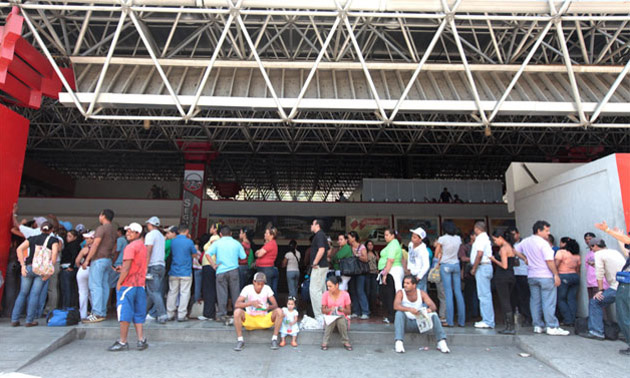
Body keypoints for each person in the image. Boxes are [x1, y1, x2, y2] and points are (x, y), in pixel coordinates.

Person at [515, 220, 569, 336]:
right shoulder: (543, 244)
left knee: (535, 301)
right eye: (546, 230)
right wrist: (555, 274)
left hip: (532, 275)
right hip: (545, 276)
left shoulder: (526, 241)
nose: (548, 233)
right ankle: (551, 326)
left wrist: (524, 258)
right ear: (539, 231)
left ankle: (537, 325)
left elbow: (515, 250)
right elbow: (549, 261)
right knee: (548, 301)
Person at [108, 222, 149, 352]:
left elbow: (126, 267)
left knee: (124, 313)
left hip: (128, 285)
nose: (128, 234)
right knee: (138, 312)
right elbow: (136, 265)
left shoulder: (130, 247)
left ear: (138, 233)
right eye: (127, 231)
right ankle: (141, 340)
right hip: (140, 285)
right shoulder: (143, 247)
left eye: (131, 231)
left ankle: (123, 341)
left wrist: (119, 283)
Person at [11, 222, 59, 327]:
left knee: (22, 293)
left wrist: (23, 266)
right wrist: (49, 271)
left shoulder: (32, 238)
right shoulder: (54, 240)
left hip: (28, 267)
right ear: (51, 230)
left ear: (41, 229)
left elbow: (19, 249)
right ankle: (29, 321)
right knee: (35, 294)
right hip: (41, 270)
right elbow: (54, 256)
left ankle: (14, 319)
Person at [595, 221, 630, 355]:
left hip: (627, 286)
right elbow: (626, 250)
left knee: (624, 316)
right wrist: (617, 237)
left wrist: (608, 230)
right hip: (625, 285)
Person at [580, 237, 626, 340]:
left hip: (616, 287)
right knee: (624, 310)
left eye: (592, 248)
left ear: (595, 246)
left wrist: (600, 291)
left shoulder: (598, 254)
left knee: (595, 302)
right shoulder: (614, 252)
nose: (592, 250)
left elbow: (599, 274)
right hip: (625, 285)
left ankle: (596, 332)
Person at [393, 275, 450, 354]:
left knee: (434, 315)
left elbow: (433, 306)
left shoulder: (421, 293)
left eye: (408, 283)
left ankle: (441, 342)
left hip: (421, 324)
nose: (405, 285)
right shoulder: (401, 292)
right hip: (406, 324)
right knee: (399, 314)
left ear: (414, 285)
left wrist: (428, 310)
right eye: (404, 283)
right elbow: (396, 306)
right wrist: (410, 309)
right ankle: (399, 342)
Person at [232, 272, 284, 351]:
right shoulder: (247, 288)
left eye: (262, 284)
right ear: (254, 282)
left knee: (279, 311)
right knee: (237, 312)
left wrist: (268, 307)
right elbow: (237, 304)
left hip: (264, 319)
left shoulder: (267, 288)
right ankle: (240, 340)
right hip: (250, 319)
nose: (260, 286)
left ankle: (274, 339)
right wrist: (251, 303)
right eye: (258, 284)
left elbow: (275, 305)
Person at [82, 209, 117, 323]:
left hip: (98, 259)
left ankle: (97, 313)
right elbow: (115, 247)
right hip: (107, 259)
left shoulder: (101, 228)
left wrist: (87, 259)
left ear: (103, 216)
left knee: (95, 286)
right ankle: (102, 311)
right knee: (104, 286)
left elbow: (95, 244)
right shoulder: (113, 230)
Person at [208, 225, 246, 322]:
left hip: (221, 270)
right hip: (234, 271)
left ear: (220, 234)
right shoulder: (236, 243)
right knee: (235, 293)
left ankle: (221, 314)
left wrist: (213, 265)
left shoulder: (217, 243)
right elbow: (243, 256)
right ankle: (237, 313)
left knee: (222, 294)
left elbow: (207, 254)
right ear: (231, 234)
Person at [434, 221, 465, 327]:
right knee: (458, 292)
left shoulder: (442, 239)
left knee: (448, 294)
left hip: (445, 265)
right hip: (456, 264)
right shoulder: (458, 238)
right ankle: (461, 321)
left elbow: (437, 253)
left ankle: (450, 321)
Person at [166, 226, 198, 322]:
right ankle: (181, 315)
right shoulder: (189, 242)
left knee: (172, 292)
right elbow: (194, 254)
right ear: (187, 231)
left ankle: (169, 313)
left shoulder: (173, 241)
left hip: (174, 270)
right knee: (184, 293)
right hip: (186, 271)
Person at [489, 230, 517, 334]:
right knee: (508, 300)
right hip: (511, 276)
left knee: (504, 301)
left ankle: (509, 326)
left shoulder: (504, 249)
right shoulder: (510, 247)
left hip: (503, 277)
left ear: (500, 237)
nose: (495, 242)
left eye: (495, 239)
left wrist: (493, 259)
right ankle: (510, 325)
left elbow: (504, 265)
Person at [470, 221, 494, 329]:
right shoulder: (485, 238)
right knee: (485, 294)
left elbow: (479, 254)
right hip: (486, 266)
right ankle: (487, 319)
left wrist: (474, 268)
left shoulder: (480, 238)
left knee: (484, 295)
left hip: (482, 267)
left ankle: (488, 320)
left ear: (476, 228)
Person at [143, 216, 167, 324]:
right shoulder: (161, 236)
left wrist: (145, 266)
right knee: (151, 291)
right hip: (161, 266)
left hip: (152, 266)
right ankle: (143, 312)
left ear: (150, 225)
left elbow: (148, 251)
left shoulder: (150, 235)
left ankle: (162, 314)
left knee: (153, 291)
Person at [379, 229, 404, 324]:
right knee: (389, 294)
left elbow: (390, 260)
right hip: (391, 270)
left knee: (391, 294)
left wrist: (385, 273)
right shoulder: (392, 244)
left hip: (393, 271)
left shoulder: (393, 244)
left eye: (387, 235)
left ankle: (392, 316)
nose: (385, 237)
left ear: (393, 235)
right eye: (384, 235)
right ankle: (392, 315)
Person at [321, 276, 352, 351]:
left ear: (337, 285)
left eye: (330, 286)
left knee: (340, 319)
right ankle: (325, 342)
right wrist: (329, 309)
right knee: (331, 319)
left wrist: (342, 310)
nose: (329, 288)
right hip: (330, 319)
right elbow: (323, 310)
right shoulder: (325, 294)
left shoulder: (345, 294)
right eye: (327, 286)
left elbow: (349, 311)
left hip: (342, 320)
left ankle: (346, 341)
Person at [554, 238, 581, 326]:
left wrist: (554, 275)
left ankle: (568, 319)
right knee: (572, 299)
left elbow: (556, 265)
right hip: (575, 277)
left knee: (561, 299)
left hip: (563, 276)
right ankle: (573, 320)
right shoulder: (577, 256)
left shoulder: (561, 252)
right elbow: (578, 269)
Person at [509, 227, 531, 326]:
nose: (513, 237)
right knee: (514, 297)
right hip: (513, 273)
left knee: (524, 297)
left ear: (518, 234)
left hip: (523, 273)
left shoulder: (524, 244)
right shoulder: (509, 245)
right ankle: (516, 316)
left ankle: (527, 317)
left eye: (514, 234)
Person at [199, 223, 220, 321]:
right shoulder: (214, 238)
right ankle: (209, 313)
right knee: (209, 289)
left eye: (211, 227)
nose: (210, 229)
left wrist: (212, 264)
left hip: (209, 265)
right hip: (209, 265)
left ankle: (208, 314)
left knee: (209, 290)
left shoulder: (214, 238)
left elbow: (212, 251)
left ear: (215, 229)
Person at [309, 219, 330, 319]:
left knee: (314, 291)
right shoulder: (322, 235)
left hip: (318, 267)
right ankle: (324, 314)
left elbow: (321, 249)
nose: (311, 226)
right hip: (323, 266)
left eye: (312, 224)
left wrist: (314, 263)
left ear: (317, 225)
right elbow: (328, 250)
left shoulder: (319, 235)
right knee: (322, 291)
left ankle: (319, 316)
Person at [348, 231, 369, 319]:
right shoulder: (349, 247)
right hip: (351, 272)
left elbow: (366, 259)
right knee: (353, 291)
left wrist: (357, 255)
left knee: (360, 291)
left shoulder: (362, 247)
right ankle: (356, 311)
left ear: (354, 238)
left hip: (360, 272)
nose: (348, 239)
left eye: (349, 237)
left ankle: (365, 312)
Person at [459, 232, 479, 320]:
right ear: (471, 236)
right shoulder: (465, 247)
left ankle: (476, 313)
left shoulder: (479, 246)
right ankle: (470, 313)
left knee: (478, 294)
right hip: (468, 273)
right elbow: (463, 258)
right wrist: (477, 259)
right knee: (469, 294)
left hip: (478, 272)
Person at [60, 229, 81, 308]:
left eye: (70, 236)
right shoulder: (73, 245)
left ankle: (67, 307)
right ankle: (70, 306)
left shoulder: (73, 245)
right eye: (67, 236)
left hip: (67, 268)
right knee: (70, 288)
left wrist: (71, 266)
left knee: (67, 289)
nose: (67, 238)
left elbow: (74, 256)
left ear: (75, 237)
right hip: (70, 268)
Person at [75, 231, 94, 320]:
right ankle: (95, 312)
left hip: (83, 270)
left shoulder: (85, 249)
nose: (86, 240)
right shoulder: (98, 249)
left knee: (82, 293)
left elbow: (77, 261)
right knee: (93, 292)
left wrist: (80, 267)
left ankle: (83, 315)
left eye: (87, 238)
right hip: (93, 270)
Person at [255, 227, 279, 293]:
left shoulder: (270, 244)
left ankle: (268, 303)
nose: (265, 234)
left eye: (266, 233)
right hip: (265, 269)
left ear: (272, 235)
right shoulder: (270, 244)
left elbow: (259, 254)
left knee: (265, 289)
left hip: (266, 269)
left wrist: (257, 252)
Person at [407, 227, 431, 292]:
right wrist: (409, 268)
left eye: (415, 237)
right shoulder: (410, 245)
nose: (412, 238)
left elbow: (426, 265)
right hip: (412, 273)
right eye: (412, 236)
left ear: (420, 239)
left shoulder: (423, 250)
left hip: (420, 275)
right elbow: (409, 256)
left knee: (420, 293)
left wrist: (419, 276)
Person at [238, 227, 254, 292]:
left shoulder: (242, 245)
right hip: (247, 266)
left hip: (241, 266)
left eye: (240, 233)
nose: (239, 234)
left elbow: (239, 256)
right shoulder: (249, 244)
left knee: (240, 286)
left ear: (244, 234)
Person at [364, 240, 379, 310]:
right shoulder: (365, 253)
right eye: (369, 245)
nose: (370, 246)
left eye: (371, 245)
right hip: (368, 273)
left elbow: (378, 261)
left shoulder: (375, 253)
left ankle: (373, 307)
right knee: (367, 290)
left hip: (374, 273)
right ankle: (368, 306)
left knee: (374, 291)